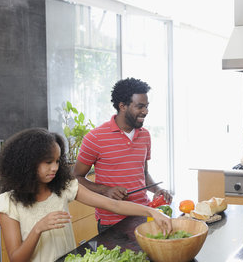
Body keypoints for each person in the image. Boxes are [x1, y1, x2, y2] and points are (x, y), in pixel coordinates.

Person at [0, 128, 172, 262]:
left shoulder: (64, 188)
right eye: (48, 162)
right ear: (27, 163)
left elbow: (113, 205)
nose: (54, 168)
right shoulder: (8, 203)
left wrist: (152, 211)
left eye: (57, 161)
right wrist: (38, 228)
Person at [73, 77, 172, 233]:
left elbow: (143, 173)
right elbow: (76, 177)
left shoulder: (145, 135)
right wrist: (105, 190)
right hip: (111, 222)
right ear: (122, 106)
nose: (145, 112)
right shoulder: (95, 138)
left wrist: (157, 189)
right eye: (140, 106)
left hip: (143, 215)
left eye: (146, 106)